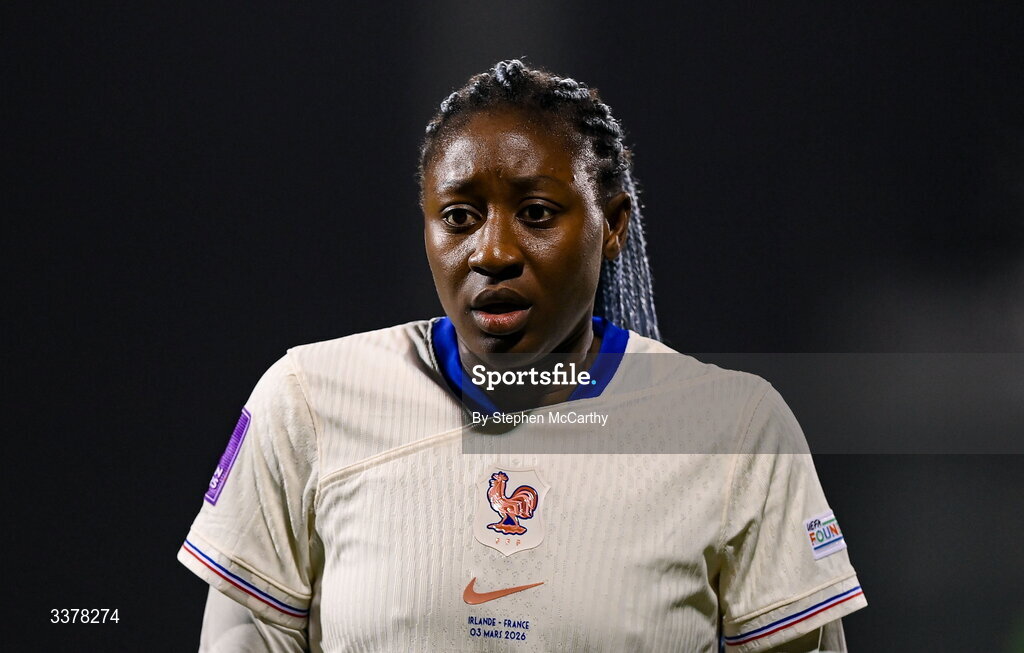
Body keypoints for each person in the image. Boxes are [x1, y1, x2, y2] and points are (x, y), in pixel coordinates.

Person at [178, 60, 866, 652]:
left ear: (614, 224)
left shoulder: (736, 430)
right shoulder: (307, 401)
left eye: (537, 213)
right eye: (459, 217)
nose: (493, 252)